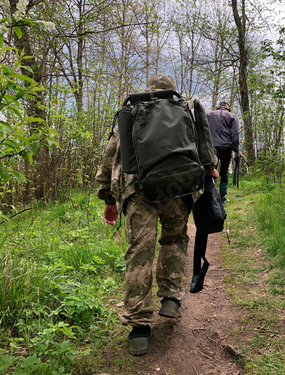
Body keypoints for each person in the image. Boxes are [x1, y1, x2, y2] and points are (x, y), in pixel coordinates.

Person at [96, 75, 218, 356]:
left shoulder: (131, 112)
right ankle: (171, 298)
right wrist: (210, 171)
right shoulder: (185, 108)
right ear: (172, 91)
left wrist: (109, 199)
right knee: (174, 238)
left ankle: (139, 328)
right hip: (178, 188)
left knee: (139, 252)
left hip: (139, 190)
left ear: (149, 91)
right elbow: (205, 151)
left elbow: (110, 157)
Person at [207, 101, 241, 202]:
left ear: (218, 108)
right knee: (224, 171)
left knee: (210, 169)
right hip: (226, 146)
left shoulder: (208, 114)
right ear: (227, 109)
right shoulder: (232, 116)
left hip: (212, 146)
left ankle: (210, 196)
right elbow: (234, 134)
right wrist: (236, 150)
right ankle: (222, 197)